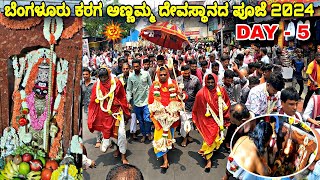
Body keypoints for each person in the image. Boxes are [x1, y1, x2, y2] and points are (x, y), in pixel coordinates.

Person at [87, 66, 130, 164]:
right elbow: (93, 101)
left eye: (105, 77)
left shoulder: (116, 82)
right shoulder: (96, 85)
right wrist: (92, 116)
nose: (103, 80)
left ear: (108, 75)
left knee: (122, 134)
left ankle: (123, 156)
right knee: (110, 134)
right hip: (104, 114)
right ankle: (117, 149)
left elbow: (122, 96)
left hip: (117, 113)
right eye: (101, 78)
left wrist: (119, 104)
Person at [148, 66, 186, 169]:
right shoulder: (154, 86)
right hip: (160, 117)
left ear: (168, 74)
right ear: (157, 75)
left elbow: (181, 97)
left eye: (165, 74)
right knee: (161, 136)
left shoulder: (173, 83)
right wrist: (154, 113)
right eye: (161, 75)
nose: (163, 76)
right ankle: (165, 160)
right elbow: (150, 101)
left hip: (171, 116)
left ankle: (169, 145)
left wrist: (181, 95)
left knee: (170, 134)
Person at [192, 73, 231, 171]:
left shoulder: (221, 90)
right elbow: (197, 109)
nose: (210, 84)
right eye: (208, 82)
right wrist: (197, 121)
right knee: (208, 139)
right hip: (206, 121)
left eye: (212, 82)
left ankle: (209, 152)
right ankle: (208, 161)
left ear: (216, 82)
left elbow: (226, 103)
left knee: (215, 138)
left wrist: (226, 117)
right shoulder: (201, 93)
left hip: (218, 119)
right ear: (205, 82)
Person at [126, 59, 153, 143]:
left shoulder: (146, 74)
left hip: (146, 102)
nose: (136, 68)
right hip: (136, 103)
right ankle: (144, 135)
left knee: (147, 119)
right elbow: (129, 90)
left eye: (137, 66)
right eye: (134, 67)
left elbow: (151, 86)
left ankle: (148, 133)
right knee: (140, 121)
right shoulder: (131, 77)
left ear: (140, 66)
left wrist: (152, 99)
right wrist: (128, 101)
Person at [177, 65, 202, 147]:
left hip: (192, 105)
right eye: (185, 73)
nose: (187, 75)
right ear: (182, 72)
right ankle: (184, 138)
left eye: (188, 73)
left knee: (189, 123)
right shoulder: (178, 80)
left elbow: (199, 92)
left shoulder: (195, 79)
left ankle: (187, 135)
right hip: (182, 105)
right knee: (184, 121)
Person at [81, 68, 102, 148]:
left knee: (96, 122)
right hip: (86, 108)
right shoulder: (81, 84)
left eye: (86, 74)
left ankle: (98, 140)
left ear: (89, 74)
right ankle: (101, 135)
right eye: (83, 74)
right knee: (90, 124)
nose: (85, 76)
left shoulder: (95, 84)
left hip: (95, 107)